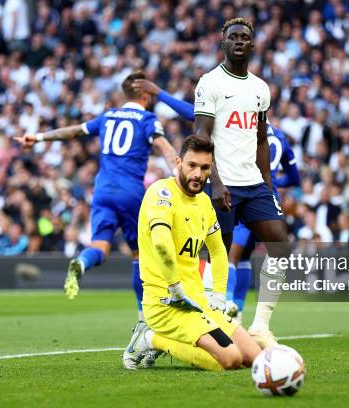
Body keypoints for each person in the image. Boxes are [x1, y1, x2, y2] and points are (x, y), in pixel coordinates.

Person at [132, 78, 300, 322]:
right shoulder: (280, 138)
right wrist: (273, 184)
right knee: (243, 257)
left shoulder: (232, 122)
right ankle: (236, 310)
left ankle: (225, 304)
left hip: (237, 188)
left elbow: (194, 116)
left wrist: (160, 92)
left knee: (225, 253)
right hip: (262, 194)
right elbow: (293, 176)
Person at [15, 71, 177, 322]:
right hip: (130, 192)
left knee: (99, 247)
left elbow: (73, 132)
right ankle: (143, 318)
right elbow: (164, 146)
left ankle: (81, 261)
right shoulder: (147, 119)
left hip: (101, 191)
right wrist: (178, 170)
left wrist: (37, 137)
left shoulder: (108, 116)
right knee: (140, 256)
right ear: (145, 93)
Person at [122, 136, 261, 371]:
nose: (198, 174)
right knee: (230, 360)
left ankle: (166, 336)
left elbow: (218, 251)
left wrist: (219, 295)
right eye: (192, 165)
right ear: (178, 163)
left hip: (198, 303)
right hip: (166, 304)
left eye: (205, 168)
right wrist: (176, 289)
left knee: (253, 357)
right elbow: (162, 245)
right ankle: (149, 339)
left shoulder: (205, 203)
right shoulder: (161, 193)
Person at [193, 18, 290, 348]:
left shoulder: (261, 88)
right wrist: (215, 182)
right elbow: (201, 136)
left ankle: (260, 326)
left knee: (280, 243)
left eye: (244, 37)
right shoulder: (210, 83)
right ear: (223, 44)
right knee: (219, 252)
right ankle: (215, 320)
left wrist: (269, 185)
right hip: (223, 184)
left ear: (252, 45)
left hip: (254, 184)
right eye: (232, 36)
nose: (238, 41)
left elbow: (261, 139)